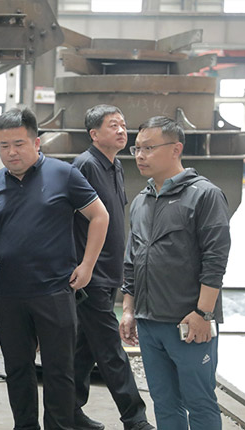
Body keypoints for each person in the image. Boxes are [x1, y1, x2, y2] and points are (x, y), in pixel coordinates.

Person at [0, 107, 109, 430]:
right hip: (9, 295)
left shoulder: (64, 175)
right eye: (4, 145)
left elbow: (100, 216)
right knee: (17, 370)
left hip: (54, 292)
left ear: (36, 143)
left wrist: (87, 265)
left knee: (59, 371)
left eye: (19, 144)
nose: (11, 152)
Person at [120, 116, 231, 430]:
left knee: (199, 401)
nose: (140, 155)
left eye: (149, 148)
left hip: (189, 323)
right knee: (164, 402)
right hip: (149, 322)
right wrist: (128, 310)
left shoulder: (204, 195)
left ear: (176, 149)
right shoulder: (141, 201)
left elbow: (215, 259)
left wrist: (203, 313)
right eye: (137, 149)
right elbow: (132, 260)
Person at [72, 105, 154, 430]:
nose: (122, 130)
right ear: (94, 134)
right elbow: (69, 219)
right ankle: (136, 419)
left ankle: (68, 413)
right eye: (112, 125)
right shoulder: (85, 165)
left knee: (84, 349)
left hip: (109, 273)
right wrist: (82, 266)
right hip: (90, 276)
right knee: (110, 350)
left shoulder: (115, 166)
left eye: (123, 124)